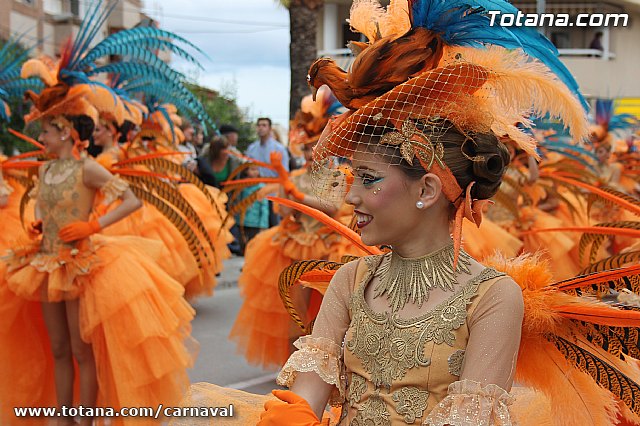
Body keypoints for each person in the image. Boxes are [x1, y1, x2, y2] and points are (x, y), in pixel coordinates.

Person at [246, 117, 290, 226]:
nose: (261, 128)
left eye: (264, 125)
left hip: (273, 193)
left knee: (273, 225)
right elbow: (247, 169)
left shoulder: (279, 149)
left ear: (270, 128)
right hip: (256, 192)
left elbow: (285, 173)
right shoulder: (252, 148)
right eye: (259, 125)